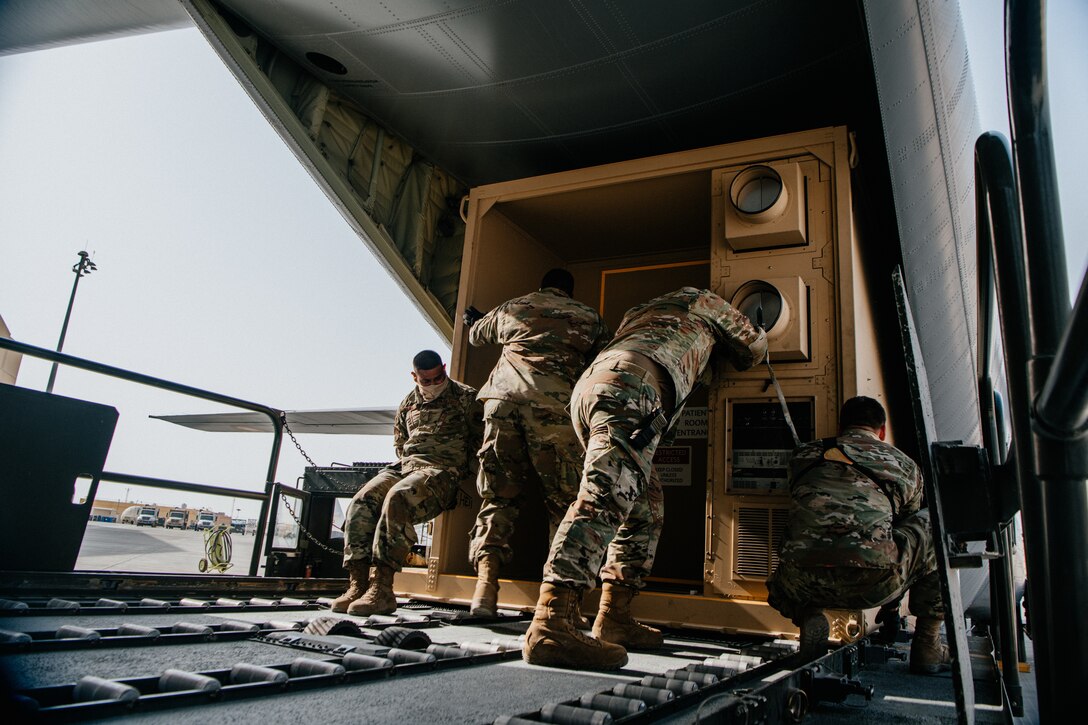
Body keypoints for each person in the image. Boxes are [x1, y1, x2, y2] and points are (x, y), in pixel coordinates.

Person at [523, 287, 767, 670]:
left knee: (644, 508)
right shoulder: (703, 300)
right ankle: (551, 621)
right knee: (604, 497)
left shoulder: (639, 309)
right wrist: (760, 331)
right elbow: (751, 349)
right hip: (632, 387)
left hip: (593, 388)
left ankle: (613, 615)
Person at [462, 268, 612, 619]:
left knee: (498, 497)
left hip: (502, 405)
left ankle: (485, 588)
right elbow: (603, 361)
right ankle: (557, 601)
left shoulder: (515, 306)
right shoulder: (588, 317)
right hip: (554, 413)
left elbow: (477, 337)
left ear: (542, 285)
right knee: (564, 505)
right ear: (569, 291)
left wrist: (479, 320)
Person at [765, 396, 951, 673]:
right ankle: (927, 646)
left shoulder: (802, 456)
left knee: (789, 562)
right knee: (936, 525)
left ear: (841, 426)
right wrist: (891, 608)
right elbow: (902, 527)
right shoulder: (905, 465)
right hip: (873, 585)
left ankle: (808, 615)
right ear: (882, 431)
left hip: (799, 584)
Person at [329, 350, 483, 616]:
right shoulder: (408, 403)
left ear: (444, 369)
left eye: (439, 378)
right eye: (427, 381)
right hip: (406, 466)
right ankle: (358, 583)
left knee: (398, 498)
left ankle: (383, 589)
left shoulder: (467, 398)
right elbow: (400, 443)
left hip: (441, 471)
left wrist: (460, 471)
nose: (435, 384)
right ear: (415, 377)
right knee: (362, 501)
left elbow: (481, 441)